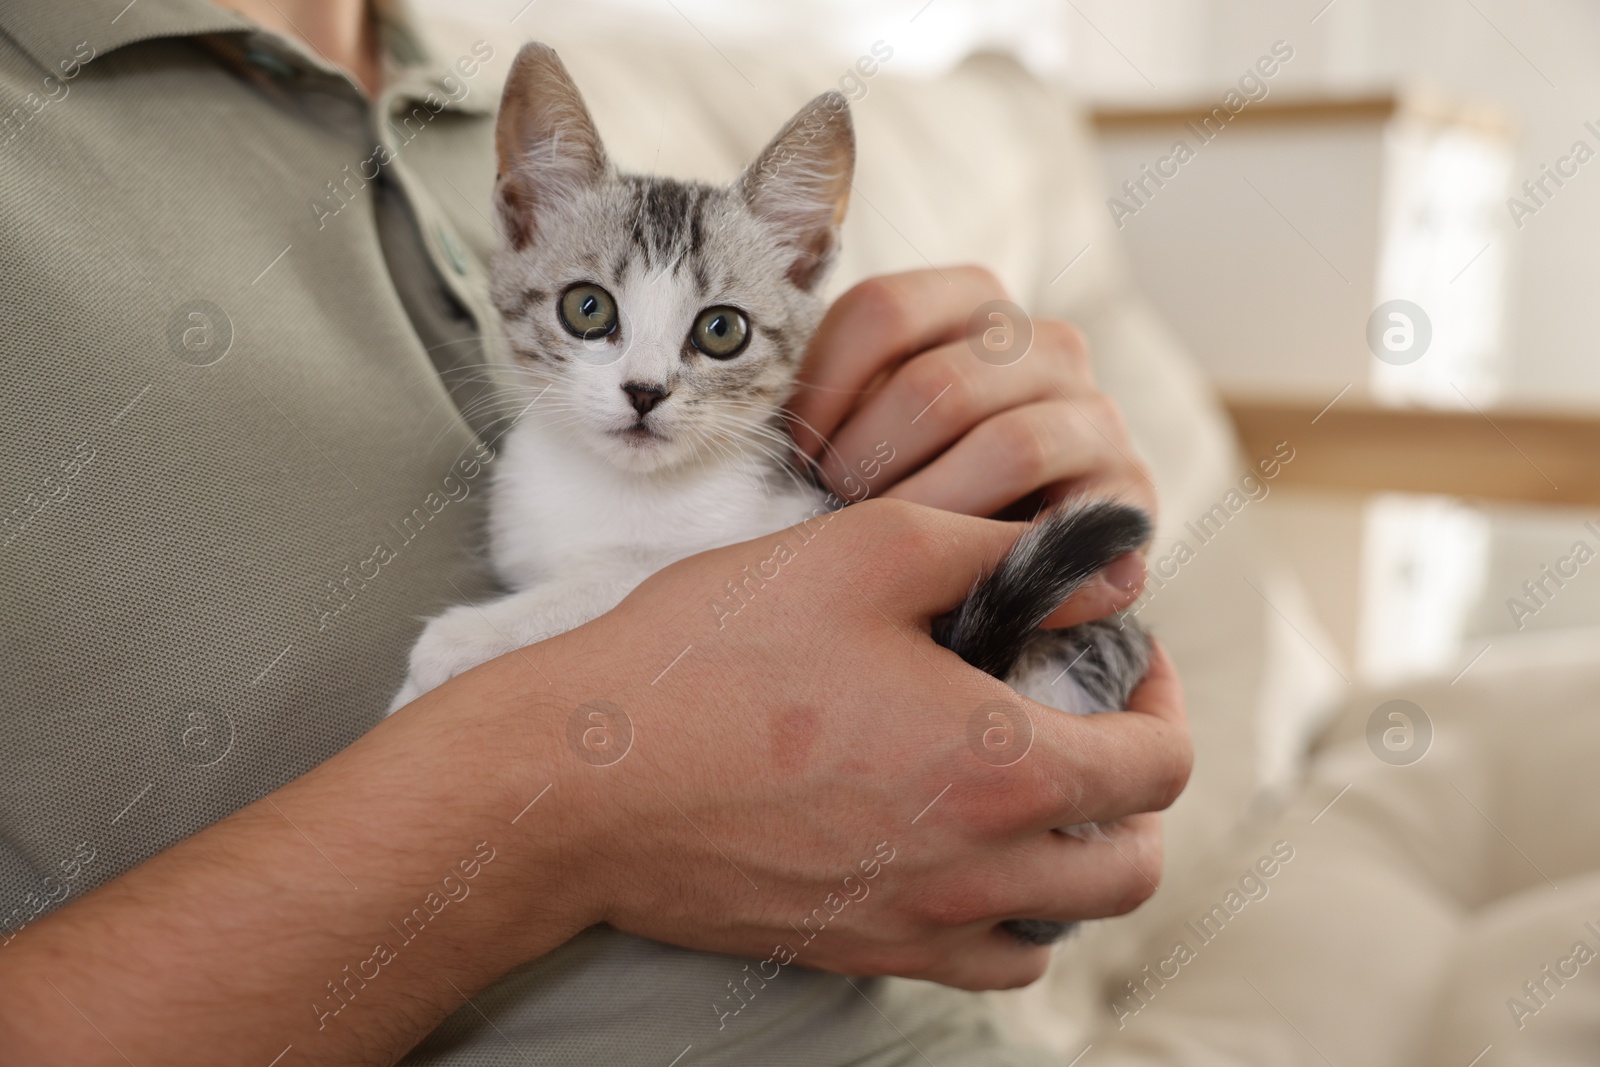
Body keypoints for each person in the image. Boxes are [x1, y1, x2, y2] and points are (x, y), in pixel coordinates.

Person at [0, 0, 1191, 1063]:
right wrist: (557, 795)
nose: (644, 383)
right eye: (592, 314)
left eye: (713, 336)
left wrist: (1009, 476)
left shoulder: (476, 104)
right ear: (522, 217)